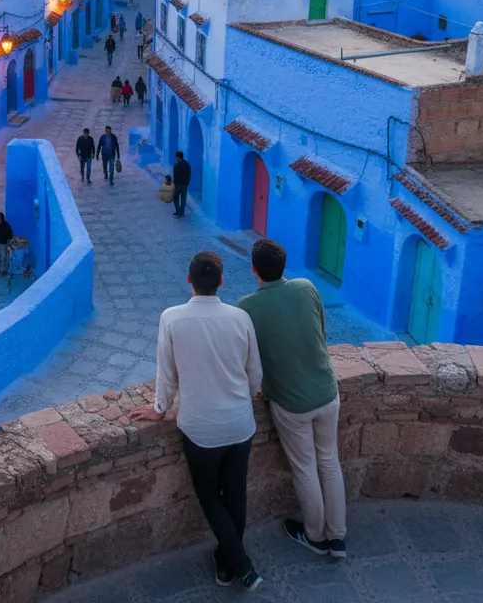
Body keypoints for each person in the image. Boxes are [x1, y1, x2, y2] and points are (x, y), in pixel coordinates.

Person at [130, 252, 264, 592]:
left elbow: (166, 372)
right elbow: (255, 375)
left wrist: (159, 409)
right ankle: (227, 564)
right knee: (235, 494)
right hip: (240, 424)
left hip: (200, 428)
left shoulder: (172, 318)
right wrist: (244, 396)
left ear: (189, 281)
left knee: (209, 495)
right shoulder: (240, 318)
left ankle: (241, 566)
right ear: (221, 282)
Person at [239, 239, 347, 560]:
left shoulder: (247, 307)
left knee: (305, 469)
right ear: (284, 265)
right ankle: (337, 537)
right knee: (329, 461)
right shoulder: (307, 287)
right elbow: (321, 334)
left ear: (254, 271)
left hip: (290, 402)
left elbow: (249, 360)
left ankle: (315, 536)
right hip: (327, 391)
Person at [173, 150, 191, 218]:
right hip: (185, 185)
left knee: (175, 198)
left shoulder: (176, 165)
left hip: (178, 185)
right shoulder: (187, 164)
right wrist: (187, 183)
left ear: (178, 157)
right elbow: (189, 175)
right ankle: (182, 213)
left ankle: (178, 211)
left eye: (176, 157)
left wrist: (174, 183)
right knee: (183, 199)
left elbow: (175, 175)